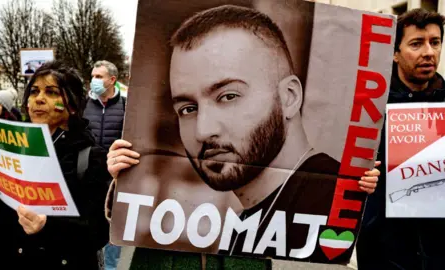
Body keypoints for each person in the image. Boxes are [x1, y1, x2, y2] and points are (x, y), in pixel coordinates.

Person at [106, 4, 380, 266]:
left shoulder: (330, 198)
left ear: (289, 97)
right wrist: (123, 183)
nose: (204, 130)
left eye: (228, 96)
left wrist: (363, 197)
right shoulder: (245, 220)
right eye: (188, 108)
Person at [0, 60, 110, 270]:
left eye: (51, 92)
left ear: (71, 105)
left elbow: (100, 231)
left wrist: (47, 226)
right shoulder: (9, 148)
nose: (39, 99)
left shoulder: (90, 156)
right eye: (34, 92)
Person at [357, 8, 445, 270]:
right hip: (383, 247)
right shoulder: (368, 107)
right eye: (416, 44)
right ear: (394, 53)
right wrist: (362, 177)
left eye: (435, 42)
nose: (429, 52)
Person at [83, 60, 126, 270]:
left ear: (112, 80)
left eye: (99, 77)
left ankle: (110, 267)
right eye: (93, 76)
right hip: (88, 177)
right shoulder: (84, 105)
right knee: (88, 225)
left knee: (112, 227)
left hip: (115, 180)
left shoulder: (126, 106)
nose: (94, 81)